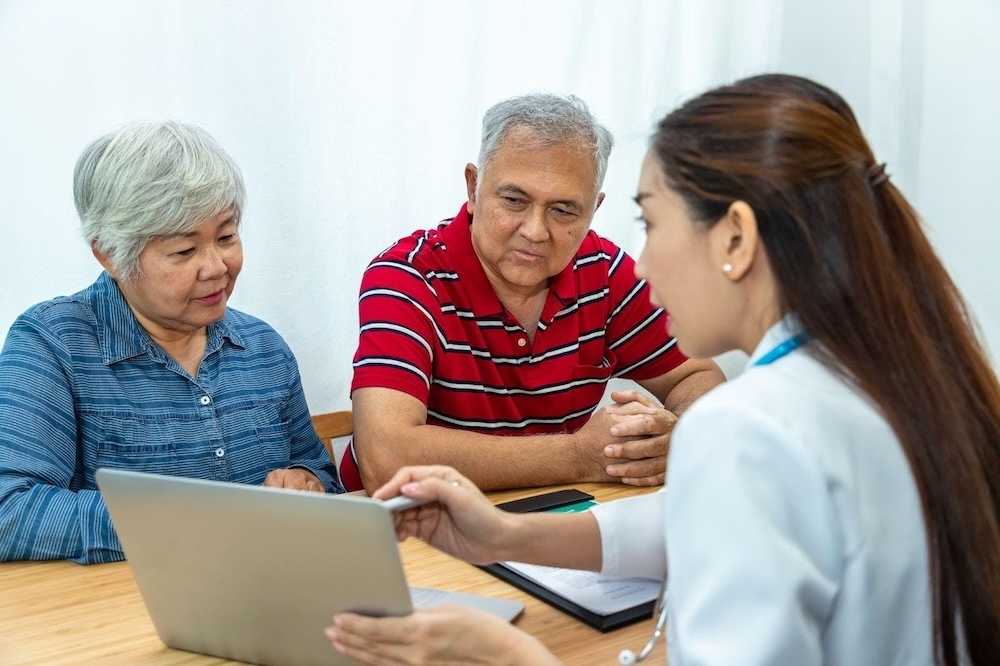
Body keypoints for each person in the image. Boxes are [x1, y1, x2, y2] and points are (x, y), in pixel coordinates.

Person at [325, 74, 1000, 665]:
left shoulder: (746, 426)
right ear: (474, 187)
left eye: (649, 223)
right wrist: (509, 533)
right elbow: (709, 518)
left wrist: (509, 658)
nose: (639, 264)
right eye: (515, 201)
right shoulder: (877, 373)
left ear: (734, 238)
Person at [0, 121, 343, 565]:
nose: (217, 267)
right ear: (109, 253)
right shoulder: (52, 344)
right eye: (184, 251)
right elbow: (10, 510)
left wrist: (306, 482)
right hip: (122, 616)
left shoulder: (262, 347)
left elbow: (318, 472)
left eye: (226, 237)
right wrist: (199, 518)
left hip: (271, 595)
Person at [346, 93, 724, 492]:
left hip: (548, 519)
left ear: (594, 209)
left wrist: (673, 437)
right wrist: (579, 455)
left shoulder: (605, 270)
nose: (535, 231)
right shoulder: (407, 276)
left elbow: (699, 376)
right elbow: (385, 458)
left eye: (563, 210)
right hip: (410, 530)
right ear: (474, 188)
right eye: (514, 200)